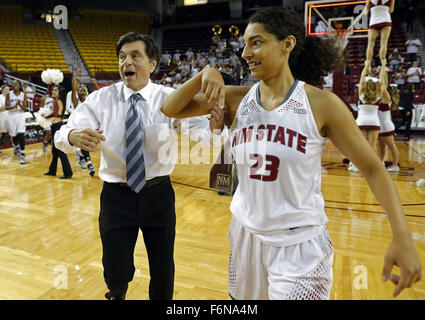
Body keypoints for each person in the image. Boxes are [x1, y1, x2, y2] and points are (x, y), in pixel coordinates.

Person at [161, 7, 422, 300]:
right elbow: (170, 109)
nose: (246, 52)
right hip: (245, 233)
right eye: (245, 44)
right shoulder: (236, 99)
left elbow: (373, 168)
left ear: (287, 44)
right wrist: (203, 74)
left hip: (298, 245)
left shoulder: (322, 103)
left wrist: (403, 237)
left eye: (256, 42)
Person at [54, 32, 223, 300]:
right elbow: (62, 133)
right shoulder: (101, 99)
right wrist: (73, 136)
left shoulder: (169, 98)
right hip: (115, 194)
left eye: (135, 56)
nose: (126, 63)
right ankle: (117, 293)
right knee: (115, 263)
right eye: (122, 57)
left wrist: (215, 127)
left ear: (153, 64)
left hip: (157, 193)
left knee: (162, 263)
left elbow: (203, 134)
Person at [44, 85, 73, 179]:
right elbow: (55, 113)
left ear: (59, 93)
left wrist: (53, 113)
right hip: (55, 125)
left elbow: (59, 113)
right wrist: (46, 116)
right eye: (53, 90)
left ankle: (68, 173)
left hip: (57, 126)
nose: (53, 91)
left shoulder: (59, 101)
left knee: (60, 150)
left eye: (55, 90)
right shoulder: (56, 101)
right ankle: (52, 171)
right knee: (54, 151)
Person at [361, 0, 395, 74]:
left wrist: (363, 15)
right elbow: (391, 10)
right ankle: (382, 64)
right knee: (383, 43)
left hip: (374, 19)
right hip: (385, 18)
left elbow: (366, 9)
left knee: (370, 44)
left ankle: (368, 65)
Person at [378, 84, 400, 172]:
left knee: (392, 146)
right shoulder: (382, 100)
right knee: (382, 147)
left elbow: (382, 89)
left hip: (386, 127)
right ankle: (381, 162)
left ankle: (395, 165)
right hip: (381, 126)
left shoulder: (386, 100)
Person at [7, 80, 28, 164]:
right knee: (14, 135)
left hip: (20, 116)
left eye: (17, 84)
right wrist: (14, 106)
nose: (15, 85)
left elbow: (25, 109)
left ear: (20, 86)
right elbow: (7, 107)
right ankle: (16, 147)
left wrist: (19, 105)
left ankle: (22, 154)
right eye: (14, 84)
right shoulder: (9, 94)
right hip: (11, 116)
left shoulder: (23, 95)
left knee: (21, 134)